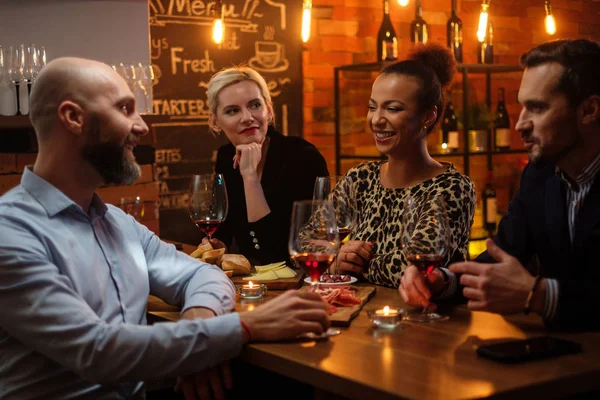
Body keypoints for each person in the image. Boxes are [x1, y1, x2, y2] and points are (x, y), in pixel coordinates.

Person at [0, 57, 330, 399]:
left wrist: (197, 334)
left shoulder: (120, 225)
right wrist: (243, 326)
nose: (141, 126)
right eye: (125, 109)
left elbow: (204, 275)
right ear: (73, 118)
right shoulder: (11, 233)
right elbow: (97, 352)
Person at [400, 39, 600, 330]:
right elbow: (501, 256)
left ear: (589, 110)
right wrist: (442, 281)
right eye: (522, 107)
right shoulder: (539, 176)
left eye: (537, 108)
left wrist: (539, 296)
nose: (520, 124)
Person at [334, 42, 476, 290]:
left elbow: (416, 270)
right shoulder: (360, 178)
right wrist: (337, 259)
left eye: (393, 108)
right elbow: (307, 242)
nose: (377, 119)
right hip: (361, 322)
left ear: (427, 116)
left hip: (427, 323)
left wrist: (349, 262)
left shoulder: (452, 187)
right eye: (372, 106)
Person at [206, 65, 329, 266]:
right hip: (252, 285)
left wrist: (250, 177)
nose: (247, 117)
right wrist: (217, 244)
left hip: (301, 281)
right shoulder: (225, 157)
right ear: (215, 121)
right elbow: (224, 231)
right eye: (233, 110)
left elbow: (274, 252)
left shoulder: (303, 157)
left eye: (255, 105)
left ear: (269, 110)